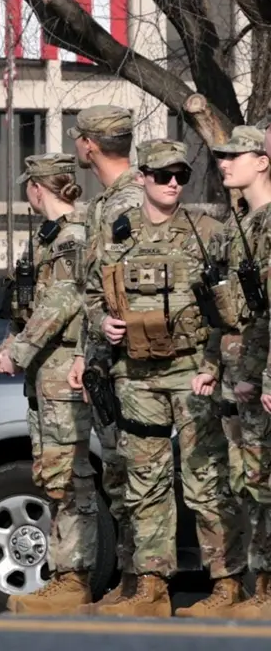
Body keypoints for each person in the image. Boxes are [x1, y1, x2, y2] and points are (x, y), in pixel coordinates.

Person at [91, 139, 244, 617]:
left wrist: (213, 367)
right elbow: (91, 294)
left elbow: (229, 310)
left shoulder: (207, 232)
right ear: (142, 178)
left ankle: (227, 584)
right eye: (163, 175)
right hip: (136, 376)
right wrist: (102, 322)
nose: (174, 183)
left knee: (205, 479)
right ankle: (152, 586)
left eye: (181, 175)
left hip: (192, 371)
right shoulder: (116, 233)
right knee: (145, 482)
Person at [0, 153, 97, 614]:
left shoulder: (73, 238)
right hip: (44, 371)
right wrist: (11, 341)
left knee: (69, 475)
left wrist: (17, 352)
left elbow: (60, 304)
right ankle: (63, 572)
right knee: (51, 473)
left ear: (37, 188)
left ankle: (73, 577)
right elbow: (27, 304)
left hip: (61, 367)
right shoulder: (47, 238)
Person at [67, 105, 143, 609]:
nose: (76, 144)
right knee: (117, 474)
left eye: (78, 137)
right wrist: (84, 351)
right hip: (105, 362)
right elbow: (93, 291)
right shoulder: (103, 204)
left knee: (136, 473)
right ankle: (131, 579)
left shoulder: (134, 199)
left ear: (90, 144)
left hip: (134, 361)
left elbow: (140, 283)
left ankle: (143, 581)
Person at [216, 125, 271, 619]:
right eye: (223, 155)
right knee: (251, 480)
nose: (225, 162)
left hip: (262, 374)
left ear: (263, 161)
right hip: (242, 373)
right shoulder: (241, 223)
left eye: (236, 155)